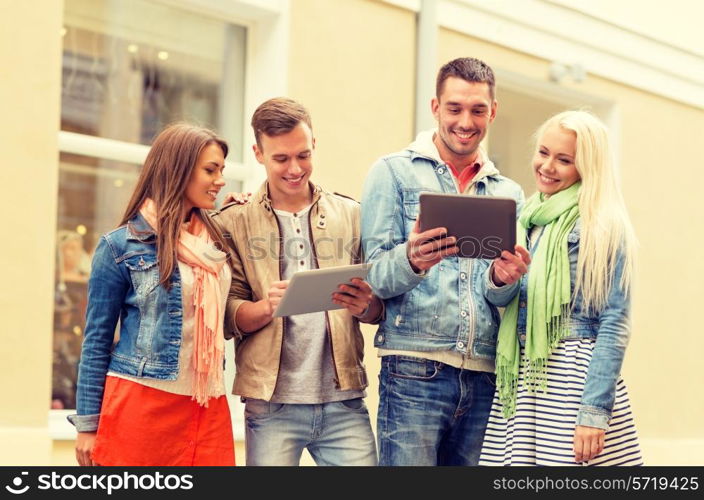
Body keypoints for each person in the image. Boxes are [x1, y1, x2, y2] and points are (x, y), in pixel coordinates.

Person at [361, 57, 525, 466]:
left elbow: (502, 298)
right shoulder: (392, 172)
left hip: (485, 376)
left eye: (477, 110)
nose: (465, 121)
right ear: (435, 108)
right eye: (454, 108)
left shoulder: (508, 192)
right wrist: (413, 260)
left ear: (493, 111)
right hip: (415, 370)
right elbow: (376, 277)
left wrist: (504, 280)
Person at [213, 97, 382, 466]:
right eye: (281, 159)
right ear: (258, 153)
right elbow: (226, 314)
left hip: (344, 401)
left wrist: (366, 305)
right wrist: (264, 308)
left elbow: (379, 305)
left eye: (303, 155)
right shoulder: (234, 221)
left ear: (314, 144)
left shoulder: (352, 215)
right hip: (271, 405)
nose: (295, 168)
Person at [479, 110, 643, 466]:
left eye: (564, 160)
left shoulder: (603, 226)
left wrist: (592, 414)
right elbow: (501, 299)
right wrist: (501, 278)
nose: (547, 166)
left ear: (587, 167)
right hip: (524, 379)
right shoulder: (524, 218)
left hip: (572, 382)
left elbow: (614, 324)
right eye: (543, 152)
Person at [68, 123, 236, 466]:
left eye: (222, 170)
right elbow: (96, 340)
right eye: (210, 170)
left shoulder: (215, 240)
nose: (220, 180)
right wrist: (87, 425)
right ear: (178, 169)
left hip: (207, 404)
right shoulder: (118, 247)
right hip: (142, 404)